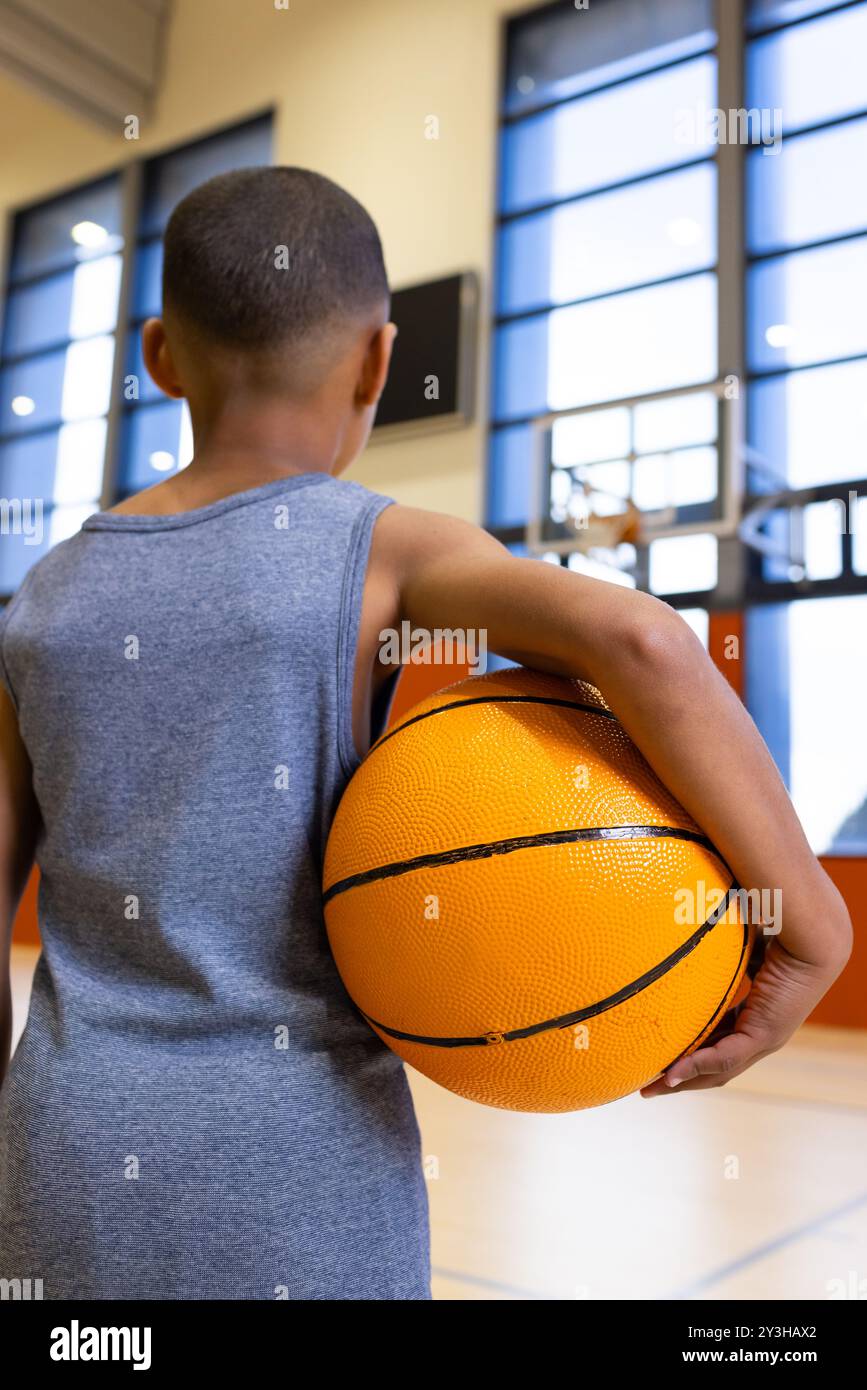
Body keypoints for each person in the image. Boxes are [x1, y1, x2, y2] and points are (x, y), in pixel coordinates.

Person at [0, 167, 852, 1300]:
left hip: (65, 1162)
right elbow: (641, 643)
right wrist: (811, 921)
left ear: (158, 356)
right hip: (304, 1170)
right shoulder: (384, 552)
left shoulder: (41, 603)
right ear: (378, 362)